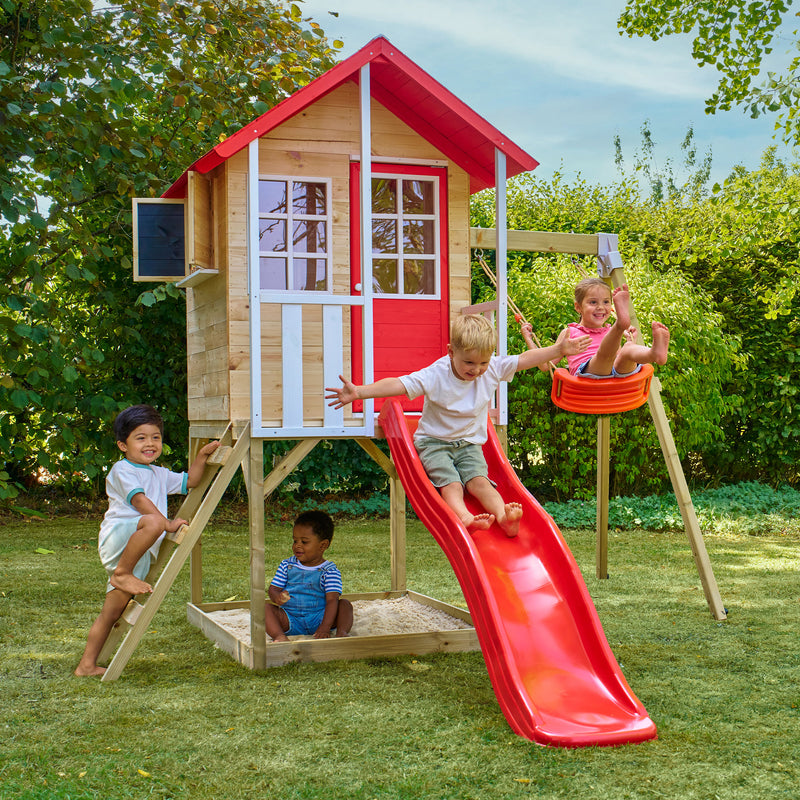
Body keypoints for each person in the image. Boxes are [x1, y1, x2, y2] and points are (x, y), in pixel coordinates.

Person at [326, 314, 590, 537]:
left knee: (480, 483)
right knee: (452, 484)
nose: (476, 369)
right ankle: (464, 517)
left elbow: (524, 359)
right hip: (434, 443)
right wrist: (359, 392)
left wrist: (559, 350)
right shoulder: (436, 374)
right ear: (451, 352)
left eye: (483, 363)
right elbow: (400, 384)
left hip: (469, 444)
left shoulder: (492, 368)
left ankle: (503, 517)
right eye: (469, 363)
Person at [74, 404, 219, 676]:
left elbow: (191, 481)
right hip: (119, 539)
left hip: (139, 553)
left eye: (156, 437)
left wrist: (201, 456)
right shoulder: (122, 470)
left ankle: (86, 665)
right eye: (141, 438)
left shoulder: (158, 473)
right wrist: (167, 523)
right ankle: (122, 574)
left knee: (111, 613)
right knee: (153, 521)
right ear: (123, 445)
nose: (150, 443)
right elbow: (140, 502)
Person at [552, 278, 670, 378]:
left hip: (615, 378)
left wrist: (630, 341)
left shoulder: (610, 334)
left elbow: (619, 359)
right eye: (593, 302)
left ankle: (653, 354)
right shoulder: (570, 332)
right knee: (603, 355)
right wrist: (538, 345)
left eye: (606, 302)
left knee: (627, 349)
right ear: (578, 307)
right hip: (586, 377)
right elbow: (545, 364)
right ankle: (620, 324)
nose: (600, 307)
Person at [265, 510, 353, 642]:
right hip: (290, 618)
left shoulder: (329, 571)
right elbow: (273, 589)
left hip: (320, 617)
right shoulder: (287, 565)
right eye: (295, 541)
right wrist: (277, 597)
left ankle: (342, 632)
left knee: (344, 605)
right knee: (264, 609)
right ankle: (279, 636)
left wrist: (325, 627)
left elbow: (332, 600)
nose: (297, 545)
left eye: (304, 542)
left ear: (323, 545)